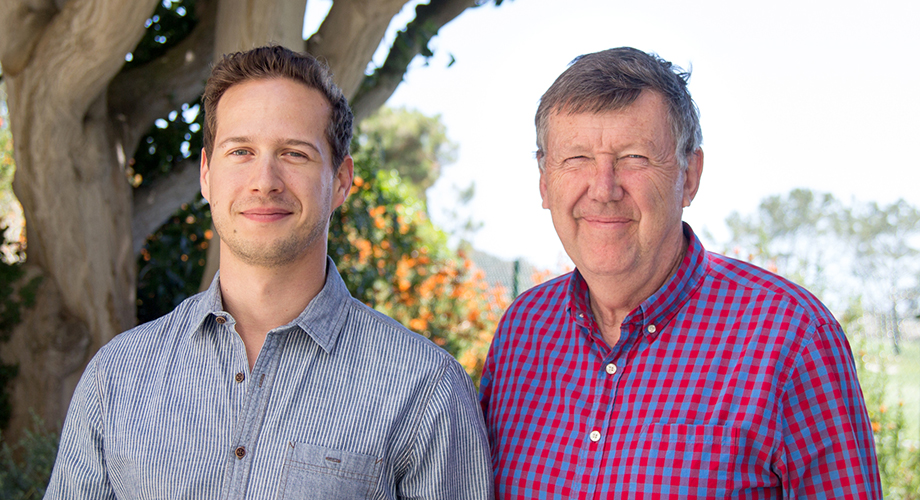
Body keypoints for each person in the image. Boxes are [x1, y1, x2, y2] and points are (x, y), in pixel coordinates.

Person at [45, 45, 493, 499]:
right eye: (240, 151)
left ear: (340, 180)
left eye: (294, 154)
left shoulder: (423, 388)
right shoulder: (117, 377)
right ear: (206, 174)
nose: (265, 181)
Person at [479, 47, 881, 499]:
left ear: (689, 175)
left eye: (634, 158)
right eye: (576, 159)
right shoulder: (523, 333)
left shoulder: (792, 338)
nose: (604, 188)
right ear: (544, 180)